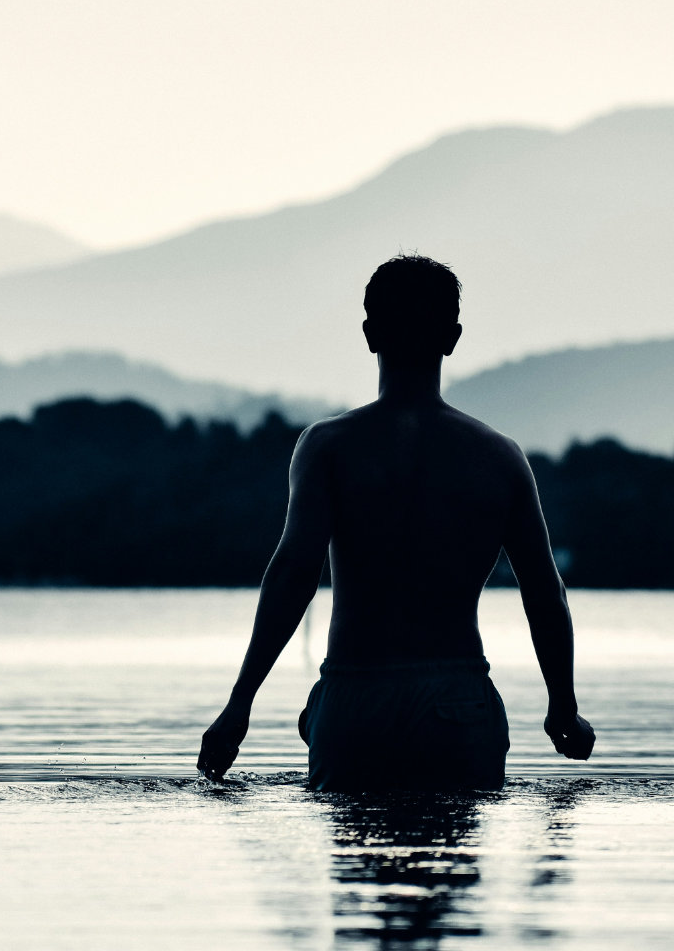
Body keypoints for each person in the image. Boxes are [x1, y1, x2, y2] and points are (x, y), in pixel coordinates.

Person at [197, 255, 595, 790]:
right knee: (449, 869)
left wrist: (238, 708)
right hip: (458, 704)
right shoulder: (499, 457)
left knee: (361, 868)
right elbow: (545, 593)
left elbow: (293, 574)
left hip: (356, 701)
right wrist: (562, 709)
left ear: (369, 335)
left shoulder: (329, 447)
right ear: (452, 338)